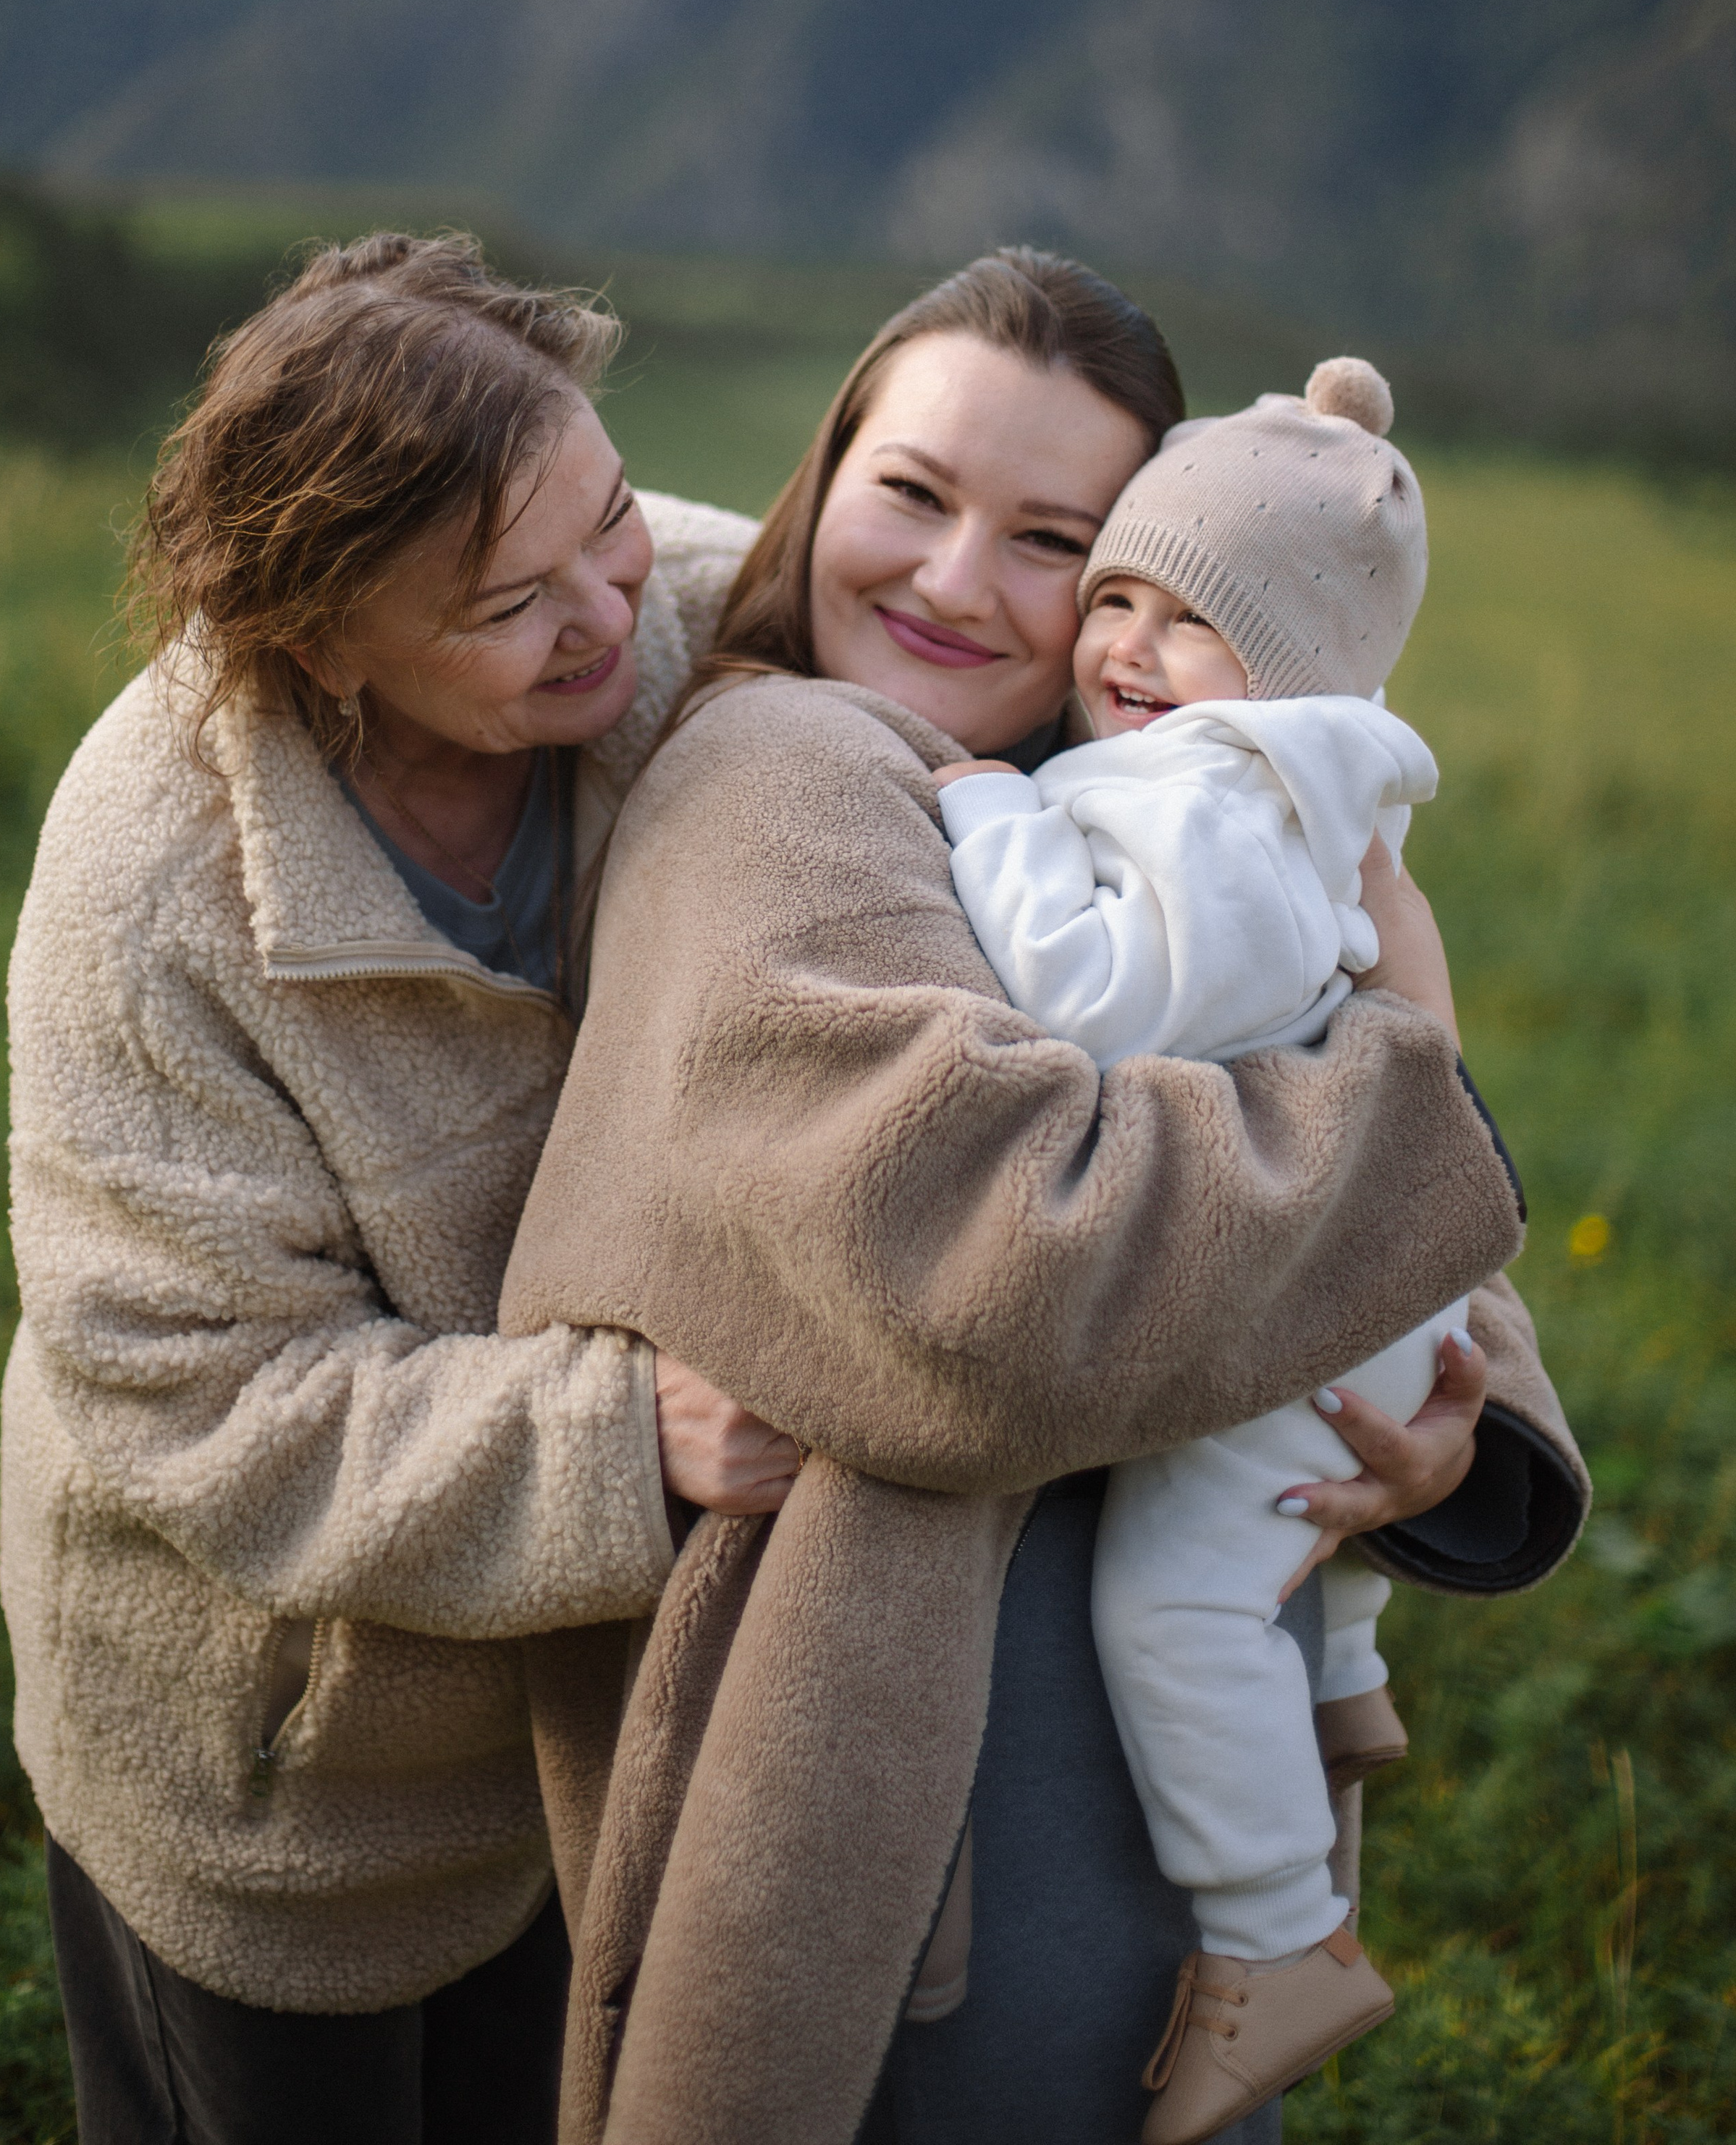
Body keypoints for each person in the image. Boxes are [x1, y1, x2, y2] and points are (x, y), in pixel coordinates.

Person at [497, 249, 1590, 2145]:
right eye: (911, 493)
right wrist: (1412, 1060)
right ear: (826, 470)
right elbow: (986, 1278)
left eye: (1053, 543)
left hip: (1159, 1748)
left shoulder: (1153, 805)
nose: (950, 580)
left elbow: (1402, 1207)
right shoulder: (798, 768)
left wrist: (1450, 1434)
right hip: (933, 1782)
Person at [0, 234, 799, 2145]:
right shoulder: (152, 902)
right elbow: (209, 1401)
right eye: (508, 605)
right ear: (318, 638)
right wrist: (634, 1439)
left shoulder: (652, 611)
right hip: (278, 1776)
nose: (606, 611)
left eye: (605, 511)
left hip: (566, 1745)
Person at [934, 355, 1520, 2142]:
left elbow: (1104, 1001)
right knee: (1258, 1541)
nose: (1123, 641)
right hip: (1345, 1277)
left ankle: (1278, 1942)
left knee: (1173, 1597)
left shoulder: (1203, 790)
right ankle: (1337, 1686)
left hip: (1298, 1291)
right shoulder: (1272, 779)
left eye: (1187, 620)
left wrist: (979, 810)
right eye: (1110, 591)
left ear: (1293, 667)